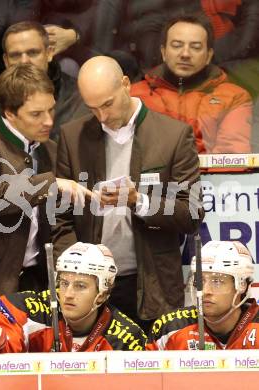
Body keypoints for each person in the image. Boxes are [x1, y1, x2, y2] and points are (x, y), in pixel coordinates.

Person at [53, 55, 203, 331]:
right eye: (93, 108)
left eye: (107, 104)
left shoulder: (173, 136)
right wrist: (74, 271)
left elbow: (191, 214)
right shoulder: (72, 137)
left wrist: (140, 201)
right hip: (89, 288)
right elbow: (59, 218)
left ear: (125, 84)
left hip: (151, 285)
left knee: (154, 372)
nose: (103, 116)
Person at [0, 63, 89, 317]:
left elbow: (59, 225)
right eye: (36, 114)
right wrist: (48, 183)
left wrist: (75, 265)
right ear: (10, 113)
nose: (49, 121)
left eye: (51, 110)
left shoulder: (51, 151)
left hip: (36, 285)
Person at [0, 242, 147, 352]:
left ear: (102, 294)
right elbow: (0, 324)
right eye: (64, 283)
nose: (68, 294)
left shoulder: (128, 339)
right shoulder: (28, 309)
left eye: (80, 286)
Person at [130, 14, 253, 154]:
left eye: (195, 47)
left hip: (214, 176)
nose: (185, 54)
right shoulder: (134, 97)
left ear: (208, 56)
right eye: (177, 46)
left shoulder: (233, 97)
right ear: (163, 52)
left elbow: (231, 158)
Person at [0, 21, 87, 141]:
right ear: (6, 61)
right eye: (15, 55)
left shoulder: (78, 99)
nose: (24, 61)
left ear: (49, 53)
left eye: (32, 53)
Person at [147, 240, 259, 350]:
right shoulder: (170, 328)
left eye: (217, 281)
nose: (205, 291)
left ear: (242, 285)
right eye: (200, 281)